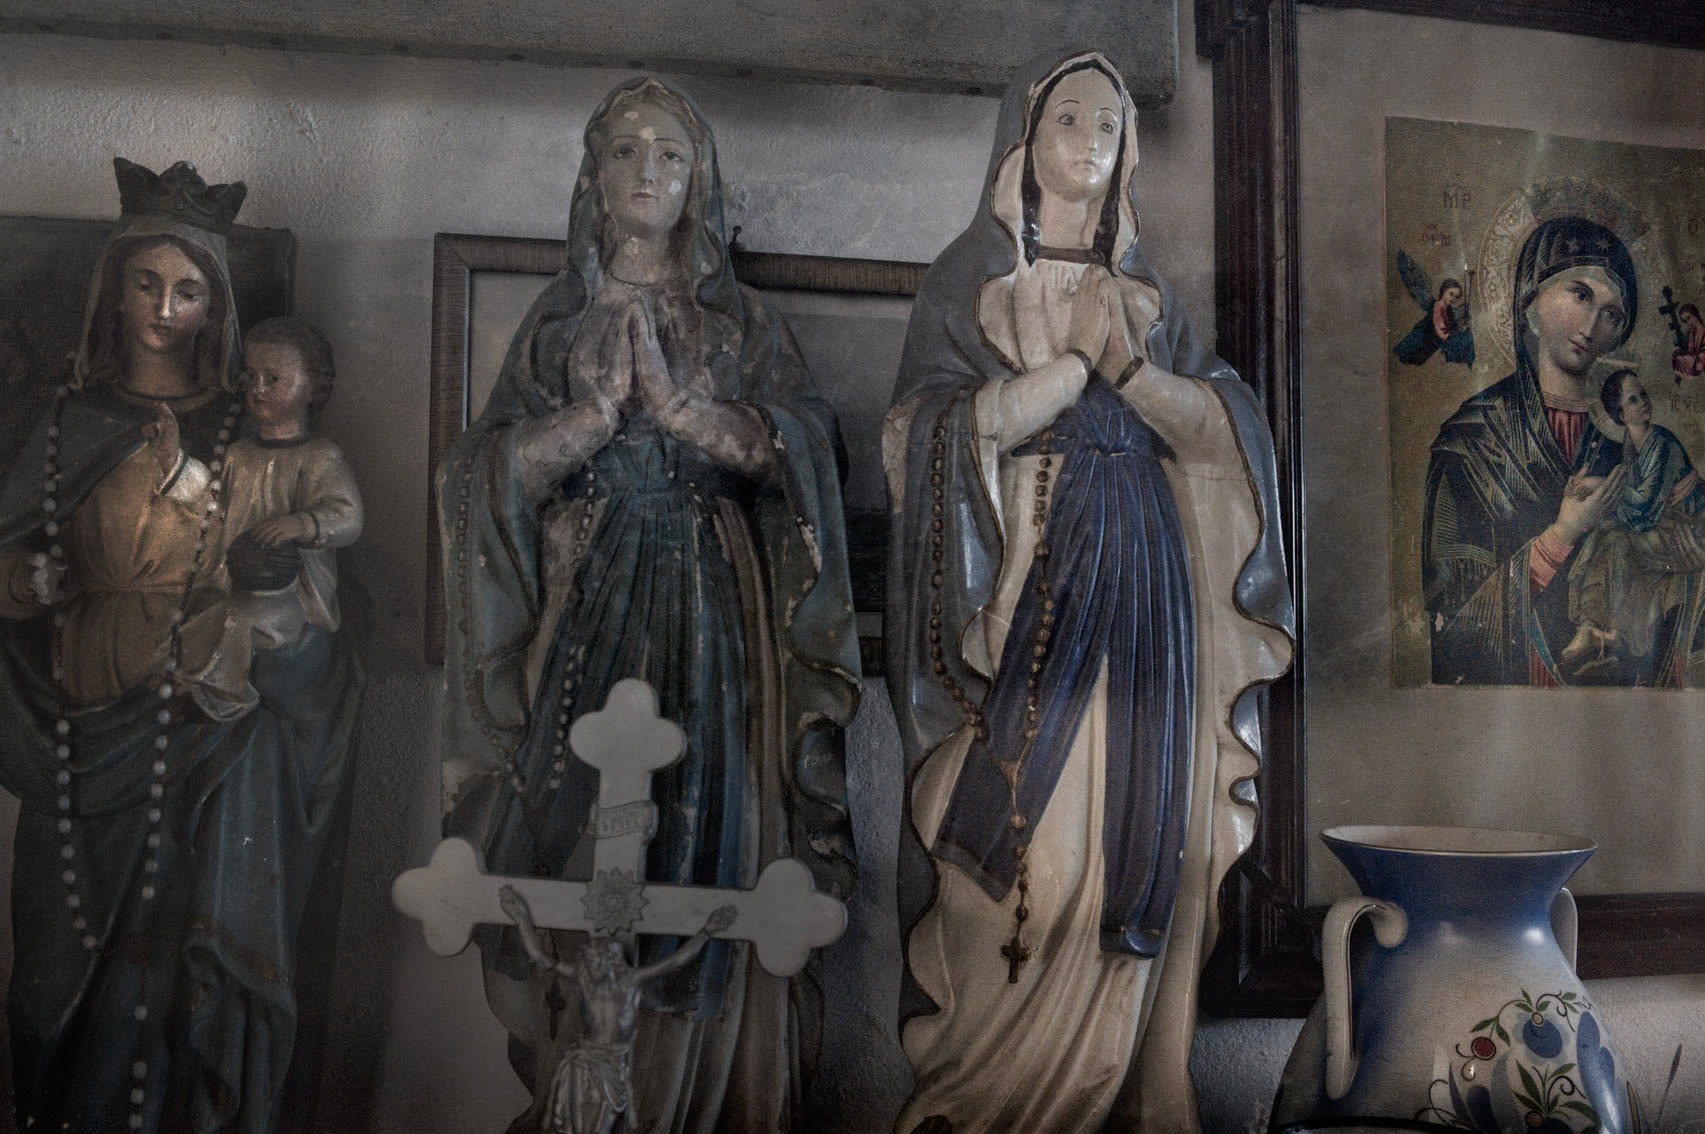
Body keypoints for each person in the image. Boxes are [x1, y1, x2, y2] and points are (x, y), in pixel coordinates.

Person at [882, 50, 1292, 1132]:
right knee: (1038, 852)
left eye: (1109, 122)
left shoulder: (1148, 299)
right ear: (1024, 143)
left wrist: (1132, 374)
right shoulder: (966, 285)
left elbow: (1229, 436)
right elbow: (918, 437)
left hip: (1148, 593)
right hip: (1027, 600)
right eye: (1069, 116)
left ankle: (1134, 1084)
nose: (1091, 137)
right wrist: (1059, 379)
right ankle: (992, 1095)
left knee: (1145, 839)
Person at [438, 78, 859, 1131]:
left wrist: (686, 414)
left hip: (716, 604)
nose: (646, 173)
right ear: (593, 178)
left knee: (714, 816)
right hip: (583, 602)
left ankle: (702, 1090)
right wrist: (584, 425)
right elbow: (481, 473)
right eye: (624, 152)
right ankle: (588, 1072)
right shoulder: (557, 324)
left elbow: (807, 450)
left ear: (698, 181)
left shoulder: (741, 324)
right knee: (571, 824)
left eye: (670, 155)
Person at [0, 158, 363, 1131]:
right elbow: (11, 553)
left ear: (217, 307)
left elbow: (311, 589)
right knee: (51, 991)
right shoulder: (68, 421)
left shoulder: (253, 434)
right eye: (145, 282)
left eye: (189, 289)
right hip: (82, 724)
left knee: (173, 981)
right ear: (111, 291)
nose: (164, 309)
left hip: (205, 728)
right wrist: (25, 583)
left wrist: (271, 594)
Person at [1422, 214, 1640, 686]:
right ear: (1531, 300)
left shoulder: (1626, 442)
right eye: (1580, 294)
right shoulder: (1471, 440)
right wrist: (1562, 535)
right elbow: (1451, 634)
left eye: (1611, 314)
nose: (1591, 324)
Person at [162, 315, 364, 719]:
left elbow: (349, 517)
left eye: (273, 379)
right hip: (232, 582)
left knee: (239, 619)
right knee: (198, 614)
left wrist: (302, 524)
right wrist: (172, 459)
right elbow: (210, 506)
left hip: (291, 598)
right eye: (251, 377)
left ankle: (222, 697)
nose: (257, 389)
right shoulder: (239, 455)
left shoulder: (319, 456)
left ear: (314, 387)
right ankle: (176, 678)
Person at [498, 885, 738, 1134]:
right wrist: (520, 917)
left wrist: (706, 933)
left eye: (601, 957)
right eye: (594, 958)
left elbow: (674, 961)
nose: (595, 962)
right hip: (583, 1063)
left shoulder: (628, 981)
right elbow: (540, 956)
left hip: (610, 1066)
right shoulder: (584, 977)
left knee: (603, 1124)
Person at [1562, 368, 1705, 681]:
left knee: (1616, 539)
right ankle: (1592, 627)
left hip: (1692, 530)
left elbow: (1643, 508)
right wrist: (1594, 489)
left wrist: (1597, 486)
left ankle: (1601, 630)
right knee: (1607, 535)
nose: (1644, 403)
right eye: (1633, 399)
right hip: (1668, 525)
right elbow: (1636, 492)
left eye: (1642, 395)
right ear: (1620, 414)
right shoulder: (1632, 443)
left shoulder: (1662, 443)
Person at [1673, 302, 1705, 382]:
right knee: (1677, 355)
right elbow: (1690, 350)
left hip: (1701, 360)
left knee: (1682, 359)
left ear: (1695, 314)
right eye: (1685, 321)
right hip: (1695, 358)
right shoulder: (1691, 333)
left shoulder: (1702, 330)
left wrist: (1696, 358)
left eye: (1689, 318)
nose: (1688, 323)